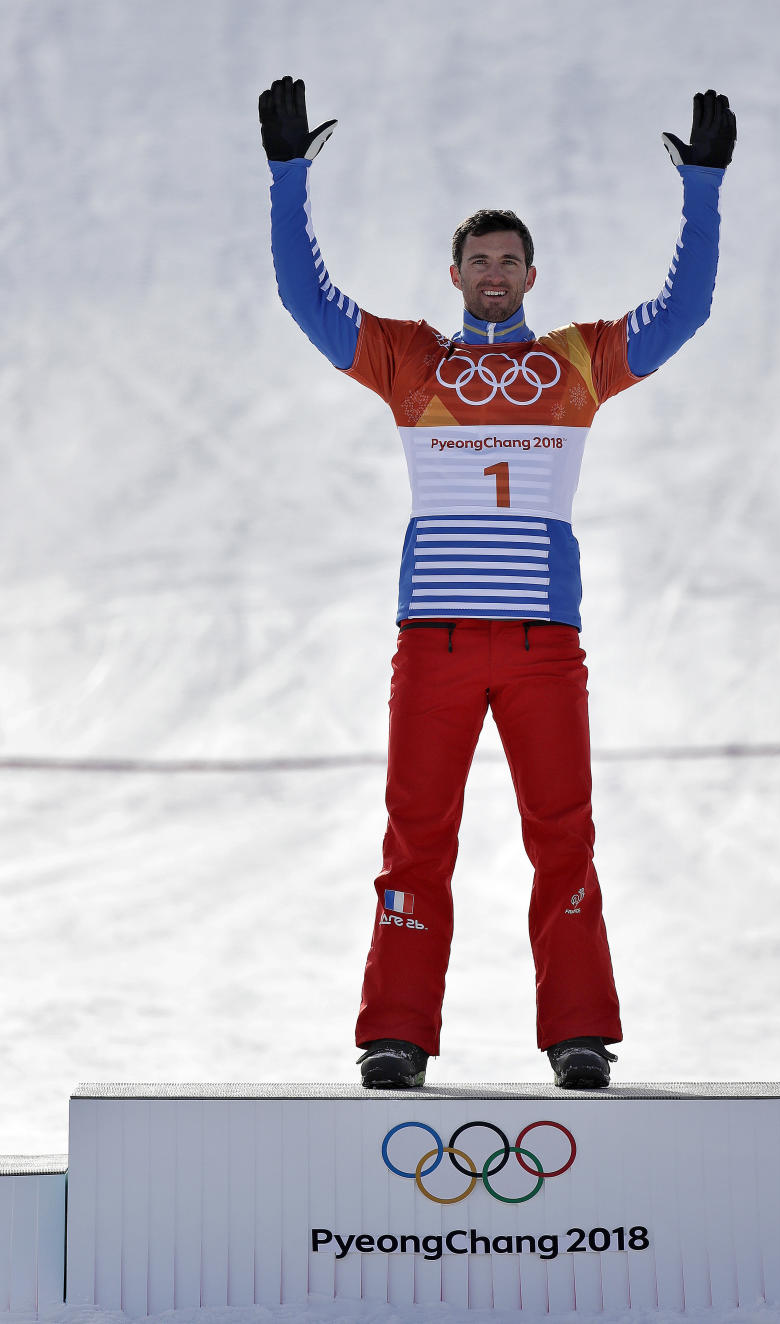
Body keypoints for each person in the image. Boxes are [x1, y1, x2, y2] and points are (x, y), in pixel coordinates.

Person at [259, 77, 735, 1090]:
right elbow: (306, 298)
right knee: (414, 840)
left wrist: (705, 184)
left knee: (563, 836)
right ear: (454, 272)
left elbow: (685, 310)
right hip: (432, 638)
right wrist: (287, 174)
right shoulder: (409, 359)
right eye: (479, 260)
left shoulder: (579, 362)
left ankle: (578, 1034)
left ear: (530, 273)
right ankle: (394, 1033)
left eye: (509, 260)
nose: (494, 273)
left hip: (540, 646)